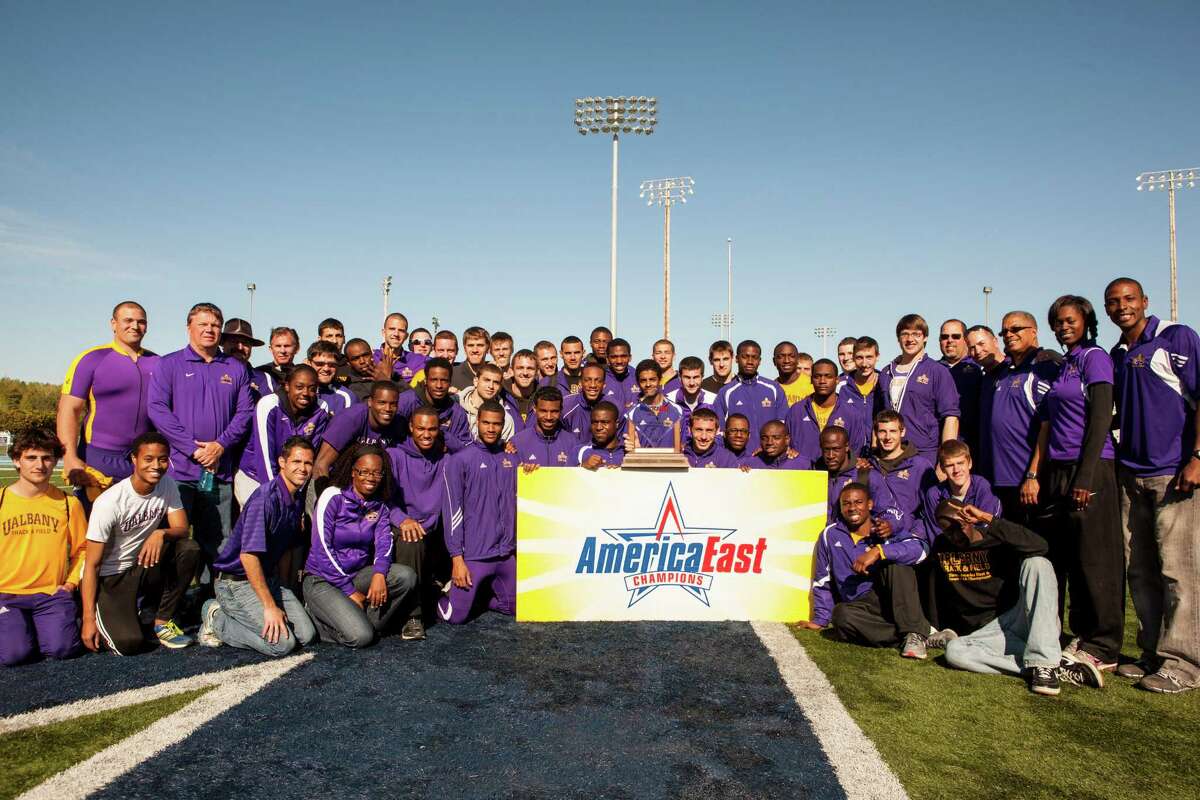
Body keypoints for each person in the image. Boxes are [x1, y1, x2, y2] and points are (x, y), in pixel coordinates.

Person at [1106, 276, 1200, 692]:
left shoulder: (1176, 338)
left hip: (1172, 473)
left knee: (1179, 570)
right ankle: (1152, 652)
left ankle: (1184, 664)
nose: (1122, 306)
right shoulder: (1119, 353)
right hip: (1132, 474)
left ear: (1145, 300)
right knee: (1139, 569)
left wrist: (1197, 458)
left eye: (1128, 299)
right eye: (1113, 302)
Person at [1025, 294, 1124, 674]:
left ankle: (1105, 645)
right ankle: (1082, 634)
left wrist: (1085, 476)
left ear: (1086, 321)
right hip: (1061, 468)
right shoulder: (1066, 363)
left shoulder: (1094, 357)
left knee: (1097, 558)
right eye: (1058, 322)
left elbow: (1100, 418)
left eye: (1070, 320)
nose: (1064, 327)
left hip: (1092, 468)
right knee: (1074, 557)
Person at [935, 500, 1103, 696]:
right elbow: (936, 588)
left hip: (1021, 621)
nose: (955, 536)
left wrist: (987, 518)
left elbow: (1040, 545)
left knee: (1037, 563)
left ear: (970, 519)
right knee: (954, 651)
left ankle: (1044, 661)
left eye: (959, 527)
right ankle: (1049, 667)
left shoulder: (998, 537)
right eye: (948, 531)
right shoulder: (942, 547)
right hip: (989, 635)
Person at [148, 302, 254, 583]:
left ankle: (212, 606)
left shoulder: (235, 368)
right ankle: (167, 609)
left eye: (215, 325)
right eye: (203, 324)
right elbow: (158, 409)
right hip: (178, 475)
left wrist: (219, 446)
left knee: (218, 545)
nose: (209, 330)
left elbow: (244, 413)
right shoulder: (169, 364)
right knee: (177, 545)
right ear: (189, 328)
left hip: (218, 473)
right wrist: (193, 449)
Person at [80, 432, 201, 654]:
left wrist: (161, 533)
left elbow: (182, 529)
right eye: (148, 459)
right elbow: (91, 565)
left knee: (188, 549)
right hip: (111, 577)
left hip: (140, 566)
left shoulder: (168, 485)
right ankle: (94, 611)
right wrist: (88, 619)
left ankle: (161, 620)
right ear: (134, 459)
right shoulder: (109, 502)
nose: (156, 465)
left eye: (162, 459)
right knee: (128, 644)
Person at [198, 436, 318, 656]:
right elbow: (248, 557)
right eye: (297, 462)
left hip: (266, 579)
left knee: (306, 635)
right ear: (282, 462)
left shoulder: (296, 498)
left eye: (308, 463)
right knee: (282, 644)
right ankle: (216, 617)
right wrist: (270, 607)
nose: (303, 468)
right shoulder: (265, 499)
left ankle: (246, 614)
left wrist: (282, 593)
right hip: (236, 583)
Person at [798, 483, 933, 659]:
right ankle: (919, 636)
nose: (852, 508)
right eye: (846, 503)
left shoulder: (884, 529)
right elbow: (822, 580)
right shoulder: (829, 535)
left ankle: (914, 633)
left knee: (896, 565)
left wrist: (879, 551)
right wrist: (820, 620)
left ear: (869, 505)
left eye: (858, 502)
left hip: (893, 599)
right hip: (861, 607)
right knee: (840, 616)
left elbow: (921, 549)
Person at [305, 446, 416, 648]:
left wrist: (379, 575)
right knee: (360, 637)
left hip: (356, 574)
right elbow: (322, 549)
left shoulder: (380, 505)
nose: (370, 478)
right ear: (353, 472)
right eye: (364, 471)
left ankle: (358, 620)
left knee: (405, 577)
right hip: (323, 579)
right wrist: (349, 591)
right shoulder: (332, 496)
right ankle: (316, 619)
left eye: (376, 473)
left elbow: (384, 542)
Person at [58, 300, 160, 502]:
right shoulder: (91, 359)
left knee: (139, 527)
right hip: (99, 457)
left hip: (142, 458)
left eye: (141, 322)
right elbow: (68, 410)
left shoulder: (159, 363)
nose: (135, 326)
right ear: (113, 323)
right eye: (128, 320)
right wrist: (69, 456)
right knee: (95, 528)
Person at [0, 430, 87, 666]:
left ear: (55, 461)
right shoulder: (1, 500)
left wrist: (69, 585)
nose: (40, 465)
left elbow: (83, 550)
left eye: (47, 458)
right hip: (6, 595)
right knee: (14, 655)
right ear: (17, 461)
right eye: (31, 458)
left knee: (63, 648)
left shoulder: (69, 504)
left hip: (50, 595)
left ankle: (45, 625)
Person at [439, 402, 517, 624]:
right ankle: (432, 596)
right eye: (486, 423)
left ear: (503, 425)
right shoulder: (460, 460)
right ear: (477, 422)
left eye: (496, 424)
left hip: (505, 555)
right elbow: (453, 511)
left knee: (515, 608)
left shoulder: (511, 458)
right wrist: (457, 559)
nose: (491, 429)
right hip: (474, 555)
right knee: (455, 617)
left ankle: (478, 596)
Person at [981, 312, 1060, 521]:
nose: (1009, 334)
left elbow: (1048, 426)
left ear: (1033, 332)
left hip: (1029, 482)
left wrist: (1033, 475)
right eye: (1004, 331)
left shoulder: (1044, 367)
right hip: (1001, 482)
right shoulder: (1005, 371)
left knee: (1037, 549)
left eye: (1015, 329)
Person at [388, 407, 451, 640]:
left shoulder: (446, 459)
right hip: (403, 527)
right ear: (411, 428)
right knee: (411, 539)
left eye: (432, 429)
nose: (426, 434)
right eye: (421, 428)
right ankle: (412, 616)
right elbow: (384, 499)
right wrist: (402, 520)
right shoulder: (394, 455)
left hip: (433, 526)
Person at [236, 365, 332, 506]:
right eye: (299, 387)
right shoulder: (269, 405)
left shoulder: (321, 409)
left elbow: (310, 456)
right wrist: (274, 495)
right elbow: (264, 458)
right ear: (287, 386)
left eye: (312, 389)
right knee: (261, 520)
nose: (306, 393)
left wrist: (297, 495)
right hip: (255, 475)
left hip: (293, 478)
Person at [878, 314, 961, 462]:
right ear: (898, 338)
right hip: (890, 453)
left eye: (916, 334)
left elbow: (951, 418)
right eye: (905, 334)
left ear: (925, 338)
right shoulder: (886, 372)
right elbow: (878, 418)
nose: (910, 339)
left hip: (924, 453)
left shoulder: (938, 371)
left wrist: (946, 461)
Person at [819, 426, 906, 532]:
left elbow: (890, 510)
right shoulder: (813, 473)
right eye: (826, 450)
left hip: (853, 543)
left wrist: (889, 524)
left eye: (836, 449)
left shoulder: (865, 475)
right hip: (817, 542)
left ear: (847, 447)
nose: (831, 455)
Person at [786, 358, 871, 465]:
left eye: (828, 376)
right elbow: (786, 444)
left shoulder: (851, 413)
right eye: (817, 376)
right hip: (804, 476)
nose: (822, 381)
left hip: (837, 477)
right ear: (811, 380)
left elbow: (854, 451)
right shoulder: (796, 411)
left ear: (837, 380)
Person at [315, 381, 407, 479]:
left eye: (393, 404)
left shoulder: (399, 423)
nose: (388, 408)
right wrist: (325, 493)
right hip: (337, 479)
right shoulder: (350, 419)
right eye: (382, 403)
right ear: (370, 402)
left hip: (372, 479)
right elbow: (321, 464)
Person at [920, 440, 1002, 546]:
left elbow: (990, 526)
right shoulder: (934, 494)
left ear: (970, 463)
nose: (956, 470)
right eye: (950, 465)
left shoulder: (982, 487)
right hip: (949, 552)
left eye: (960, 463)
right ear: (942, 469)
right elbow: (935, 533)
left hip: (982, 549)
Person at [867, 410, 937, 527]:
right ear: (875, 433)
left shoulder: (920, 466)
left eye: (893, 431)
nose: (887, 437)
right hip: (875, 532)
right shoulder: (868, 466)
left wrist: (917, 533)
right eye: (882, 431)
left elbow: (931, 508)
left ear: (902, 432)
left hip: (908, 536)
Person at [714, 340, 788, 442]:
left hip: (769, 455)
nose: (750, 361)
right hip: (738, 456)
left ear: (760, 360)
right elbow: (720, 432)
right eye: (745, 357)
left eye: (754, 357)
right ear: (736, 359)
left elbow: (784, 425)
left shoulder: (774, 388)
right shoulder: (726, 392)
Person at [397, 358, 472, 452]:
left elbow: (465, 449)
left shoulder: (457, 413)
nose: (439, 385)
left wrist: (444, 438)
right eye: (434, 380)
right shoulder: (406, 401)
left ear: (450, 382)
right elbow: (393, 439)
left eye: (444, 380)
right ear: (425, 380)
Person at [939, 319, 984, 456]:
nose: (949, 340)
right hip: (938, 448)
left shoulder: (980, 368)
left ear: (965, 340)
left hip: (972, 449)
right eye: (944, 337)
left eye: (956, 336)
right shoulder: (932, 370)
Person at [511, 388, 579, 467]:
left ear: (561, 410)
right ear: (534, 409)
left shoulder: (573, 443)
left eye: (554, 411)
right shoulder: (517, 443)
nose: (548, 417)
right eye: (543, 411)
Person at [625, 360, 683, 450]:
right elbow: (629, 450)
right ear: (638, 382)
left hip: (671, 463)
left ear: (660, 380)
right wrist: (633, 449)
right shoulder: (631, 414)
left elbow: (684, 446)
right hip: (643, 463)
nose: (648, 384)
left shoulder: (677, 411)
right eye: (643, 380)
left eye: (652, 379)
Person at [458, 363, 517, 441]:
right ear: (476, 381)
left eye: (496, 382)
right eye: (487, 380)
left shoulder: (505, 419)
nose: (491, 386)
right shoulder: (455, 405)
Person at [563, 364, 623, 440]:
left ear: (604, 384)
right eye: (587, 380)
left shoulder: (616, 407)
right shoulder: (566, 406)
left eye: (598, 381)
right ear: (580, 383)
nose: (593, 385)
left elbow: (620, 440)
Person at [373, 312, 427, 385]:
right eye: (392, 329)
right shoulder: (371, 357)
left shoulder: (418, 360)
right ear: (383, 332)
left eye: (401, 330)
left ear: (406, 336)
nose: (396, 334)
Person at [219, 319, 267, 398]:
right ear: (223, 344)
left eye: (245, 343)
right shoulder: (211, 372)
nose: (240, 347)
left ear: (251, 347)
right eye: (234, 341)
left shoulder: (264, 380)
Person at [666, 356, 717, 429]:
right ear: (680, 378)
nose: (691, 383)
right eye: (687, 377)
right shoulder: (668, 400)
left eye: (696, 377)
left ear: (702, 377)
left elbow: (719, 433)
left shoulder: (713, 400)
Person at [306, 340, 355, 413]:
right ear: (309, 363)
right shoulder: (297, 392)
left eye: (331, 364)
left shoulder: (346, 398)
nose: (326, 369)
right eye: (319, 364)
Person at [741, 421, 811, 469]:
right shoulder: (749, 464)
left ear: (787, 440)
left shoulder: (803, 465)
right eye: (764, 438)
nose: (769, 442)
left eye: (776, 438)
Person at [577, 401, 626, 469]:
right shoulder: (579, 451)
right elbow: (565, 478)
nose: (598, 427)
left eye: (605, 422)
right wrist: (582, 467)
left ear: (617, 423)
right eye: (595, 422)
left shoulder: (627, 451)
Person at [255, 326, 299, 395]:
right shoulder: (258, 373)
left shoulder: (302, 375)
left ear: (297, 348)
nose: (282, 351)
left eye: (287, 346)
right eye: (278, 346)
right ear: (270, 349)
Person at [504, 349, 539, 430]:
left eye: (530, 368)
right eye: (520, 368)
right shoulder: (500, 395)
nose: (525, 373)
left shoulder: (542, 398)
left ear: (537, 371)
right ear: (511, 371)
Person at [774, 340, 814, 406]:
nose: (786, 361)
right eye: (781, 356)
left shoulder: (811, 385)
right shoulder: (771, 388)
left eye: (791, 356)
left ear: (797, 360)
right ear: (774, 361)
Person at [603, 338, 639, 412]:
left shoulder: (638, 376)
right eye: (614, 357)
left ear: (630, 357)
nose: (619, 361)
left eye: (623, 356)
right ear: (607, 359)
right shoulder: (599, 378)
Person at [451, 326, 490, 392]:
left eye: (480, 345)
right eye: (470, 345)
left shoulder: (495, 376)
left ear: (488, 348)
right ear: (464, 348)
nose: (475, 350)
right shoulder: (451, 375)